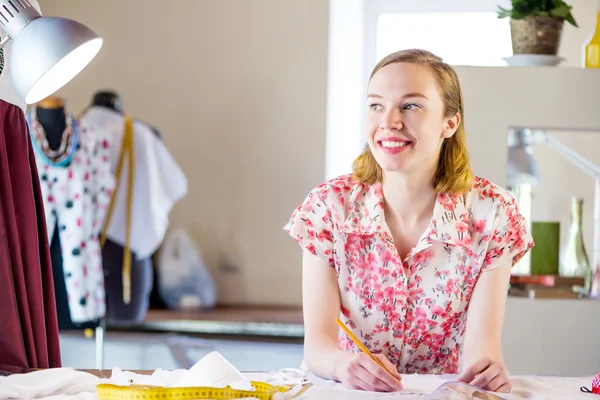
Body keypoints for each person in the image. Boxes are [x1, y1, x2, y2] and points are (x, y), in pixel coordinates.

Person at [284, 49, 534, 394]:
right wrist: (344, 364)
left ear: (450, 123)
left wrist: (486, 372)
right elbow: (318, 347)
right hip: (344, 392)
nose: (389, 122)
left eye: (411, 106)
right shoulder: (329, 207)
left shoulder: (493, 214)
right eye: (376, 105)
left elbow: (481, 349)